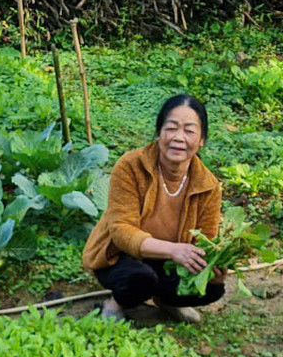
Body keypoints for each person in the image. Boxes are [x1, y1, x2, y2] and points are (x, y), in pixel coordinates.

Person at [81, 94, 224, 324]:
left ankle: (165, 301)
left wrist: (213, 267)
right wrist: (173, 250)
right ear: (159, 132)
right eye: (171, 128)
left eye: (189, 131)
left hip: (167, 260)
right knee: (140, 278)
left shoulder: (208, 186)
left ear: (201, 140)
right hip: (120, 256)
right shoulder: (130, 166)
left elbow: (206, 240)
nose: (179, 138)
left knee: (212, 289)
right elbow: (120, 231)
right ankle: (115, 303)